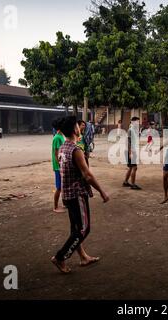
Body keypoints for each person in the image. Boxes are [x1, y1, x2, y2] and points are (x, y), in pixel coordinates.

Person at [51, 116, 109, 274]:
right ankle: (60, 257)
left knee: (75, 228)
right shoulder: (75, 150)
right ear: (74, 129)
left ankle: (83, 257)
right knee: (83, 229)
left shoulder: (63, 147)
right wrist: (102, 192)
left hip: (67, 194)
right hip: (77, 194)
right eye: (78, 125)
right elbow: (87, 175)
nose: (81, 127)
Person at [123, 117, 142, 190]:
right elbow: (128, 142)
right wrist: (130, 152)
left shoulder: (133, 130)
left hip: (131, 150)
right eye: (137, 121)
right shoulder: (130, 130)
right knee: (134, 167)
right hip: (130, 151)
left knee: (131, 167)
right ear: (133, 122)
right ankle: (133, 184)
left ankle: (125, 182)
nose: (138, 123)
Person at [52, 118, 65, 213]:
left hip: (61, 165)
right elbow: (56, 153)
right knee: (59, 187)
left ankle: (64, 203)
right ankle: (55, 207)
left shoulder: (61, 136)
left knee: (62, 186)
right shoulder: (57, 138)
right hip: (58, 166)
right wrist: (60, 165)